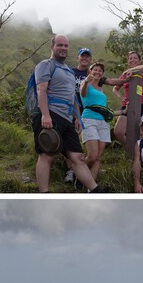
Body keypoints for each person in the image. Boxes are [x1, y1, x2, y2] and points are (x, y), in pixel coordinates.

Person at [32, 35, 105, 193]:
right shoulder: (45, 65)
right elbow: (41, 90)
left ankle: (95, 190)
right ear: (52, 47)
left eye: (66, 46)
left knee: (78, 157)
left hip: (67, 119)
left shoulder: (68, 71)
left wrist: (78, 118)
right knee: (47, 155)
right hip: (50, 114)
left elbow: (72, 97)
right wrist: (45, 115)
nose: (63, 48)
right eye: (60, 45)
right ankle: (44, 193)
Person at [79, 62, 126, 181]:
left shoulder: (100, 90)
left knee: (98, 157)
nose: (97, 72)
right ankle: (78, 173)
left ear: (102, 74)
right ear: (90, 72)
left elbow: (104, 110)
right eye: (95, 69)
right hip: (89, 120)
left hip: (103, 122)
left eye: (100, 71)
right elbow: (83, 94)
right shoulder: (85, 84)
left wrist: (123, 112)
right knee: (92, 156)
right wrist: (85, 81)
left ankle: (91, 187)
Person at [64, 47, 92, 183]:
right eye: (82, 56)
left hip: (87, 110)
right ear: (78, 57)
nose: (85, 58)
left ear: (90, 59)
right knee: (70, 139)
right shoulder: (71, 71)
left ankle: (83, 167)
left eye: (87, 56)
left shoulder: (93, 73)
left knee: (85, 139)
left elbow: (108, 82)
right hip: (70, 108)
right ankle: (70, 170)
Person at [113, 50, 143, 145]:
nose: (132, 60)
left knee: (142, 132)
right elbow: (115, 89)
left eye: (135, 58)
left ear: (139, 60)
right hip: (127, 106)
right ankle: (132, 149)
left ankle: (139, 155)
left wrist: (131, 70)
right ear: (128, 61)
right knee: (118, 132)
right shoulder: (124, 74)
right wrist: (120, 97)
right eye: (130, 58)